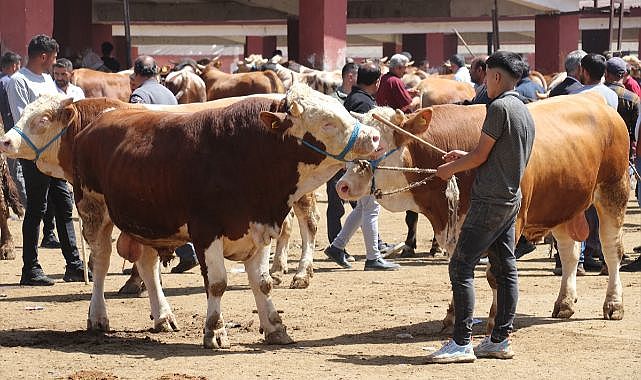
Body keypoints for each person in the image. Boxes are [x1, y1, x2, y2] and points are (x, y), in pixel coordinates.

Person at [427, 51, 534, 363]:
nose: (484, 82)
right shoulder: (523, 109)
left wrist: (451, 169)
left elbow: (480, 158)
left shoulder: (498, 107)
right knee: (506, 268)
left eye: (487, 76)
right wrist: (464, 154)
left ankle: (461, 342)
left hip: (489, 200)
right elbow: (494, 152)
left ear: (496, 77)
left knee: (460, 266)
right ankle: (499, 339)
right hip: (510, 198)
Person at [6, 34, 90, 285]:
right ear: (44, 56)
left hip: (54, 156)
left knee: (64, 206)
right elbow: (25, 119)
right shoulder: (18, 81)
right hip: (33, 156)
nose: (54, 62)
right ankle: (30, 268)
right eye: (53, 57)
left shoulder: (46, 80)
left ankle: (73, 264)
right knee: (36, 209)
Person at [324, 63, 401, 271]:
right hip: (363, 163)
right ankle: (373, 258)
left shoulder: (355, 98)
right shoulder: (364, 104)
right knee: (371, 207)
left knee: (363, 207)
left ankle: (337, 247)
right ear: (377, 82)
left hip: (357, 162)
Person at [126, 55, 196, 273]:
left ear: (137, 74)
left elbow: (134, 129)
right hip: (173, 160)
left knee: (148, 213)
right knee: (171, 210)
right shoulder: (169, 94)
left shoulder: (138, 95)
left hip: (149, 162)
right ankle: (187, 251)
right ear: (156, 72)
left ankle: (142, 267)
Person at [571, 53, 619, 274]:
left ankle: (579, 260)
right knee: (605, 211)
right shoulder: (612, 95)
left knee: (578, 208)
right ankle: (605, 258)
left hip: (583, 158)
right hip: (608, 157)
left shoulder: (577, 95)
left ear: (584, 71)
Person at [375, 53, 423, 257]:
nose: (406, 71)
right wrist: (418, 98)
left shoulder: (386, 79)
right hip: (399, 129)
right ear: (397, 67)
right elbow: (409, 105)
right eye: (404, 68)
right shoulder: (395, 80)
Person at [0, 51, 28, 206]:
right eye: (18, 65)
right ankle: (25, 202)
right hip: (12, 132)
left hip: (6, 131)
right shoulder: (9, 82)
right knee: (16, 170)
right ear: (13, 66)